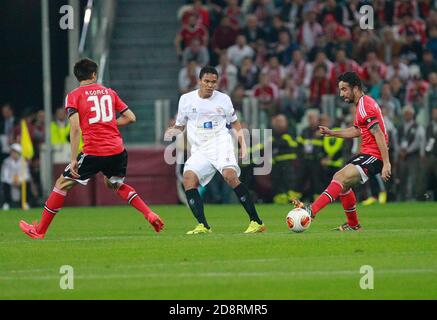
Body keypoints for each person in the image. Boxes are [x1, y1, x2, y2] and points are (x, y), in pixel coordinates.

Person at [19, 58, 164, 239]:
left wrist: (73, 159)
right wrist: (109, 123)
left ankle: (39, 231)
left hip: (94, 151)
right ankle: (148, 213)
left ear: (77, 76)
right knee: (115, 184)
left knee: (61, 184)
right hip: (117, 150)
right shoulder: (109, 93)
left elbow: (75, 128)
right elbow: (131, 117)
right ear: (94, 74)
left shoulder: (73, 96)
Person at [164, 66, 265, 234]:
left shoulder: (223, 99)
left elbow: (235, 123)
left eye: (213, 82)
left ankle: (256, 221)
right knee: (188, 179)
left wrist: (243, 144)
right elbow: (180, 126)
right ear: (199, 81)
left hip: (221, 144)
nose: (210, 85)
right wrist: (172, 131)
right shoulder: (186, 100)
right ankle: (203, 225)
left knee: (230, 176)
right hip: (200, 150)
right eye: (207, 81)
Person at [293, 71, 391, 231]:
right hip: (368, 154)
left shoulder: (365, 106)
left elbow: (378, 133)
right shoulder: (361, 105)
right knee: (343, 186)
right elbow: (357, 131)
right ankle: (353, 225)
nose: (341, 94)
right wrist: (332, 132)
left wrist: (386, 162)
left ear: (356, 88)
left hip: (374, 155)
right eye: (340, 90)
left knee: (339, 177)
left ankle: (311, 211)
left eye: (344, 89)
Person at [1, 144, 31, 210]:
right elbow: (4, 175)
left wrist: (19, 181)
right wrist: (12, 181)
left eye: (15, 152)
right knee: (5, 184)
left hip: (20, 182)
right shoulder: (6, 162)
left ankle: (25, 203)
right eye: (12, 152)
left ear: (19, 153)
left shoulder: (24, 162)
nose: (13, 153)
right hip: (10, 182)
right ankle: (6, 203)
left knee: (27, 184)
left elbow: (26, 175)